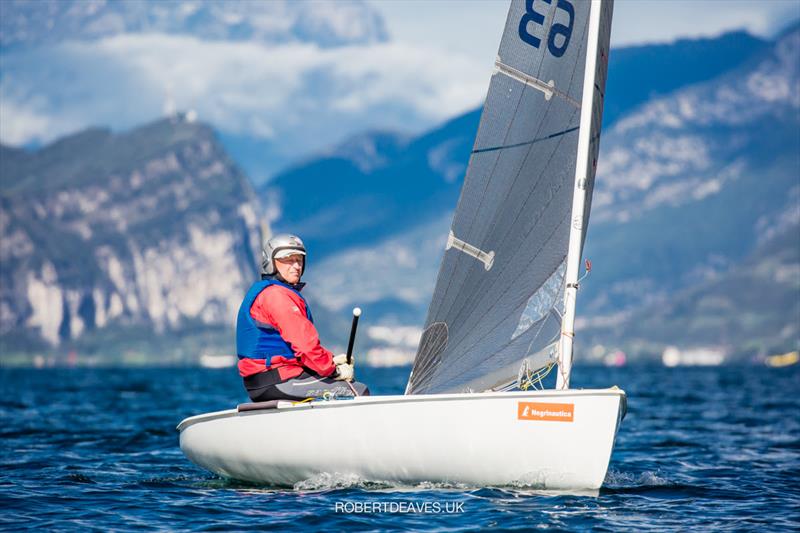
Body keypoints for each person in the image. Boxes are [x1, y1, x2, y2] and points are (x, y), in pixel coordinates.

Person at [236, 234, 370, 402]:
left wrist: (331, 361)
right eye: (288, 260)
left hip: (267, 381)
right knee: (358, 391)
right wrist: (334, 371)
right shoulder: (277, 296)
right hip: (279, 381)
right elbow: (305, 346)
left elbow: (302, 351)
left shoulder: (268, 292)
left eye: (299, 260)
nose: (296, 266)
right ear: (270, 263)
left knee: (330, 387)